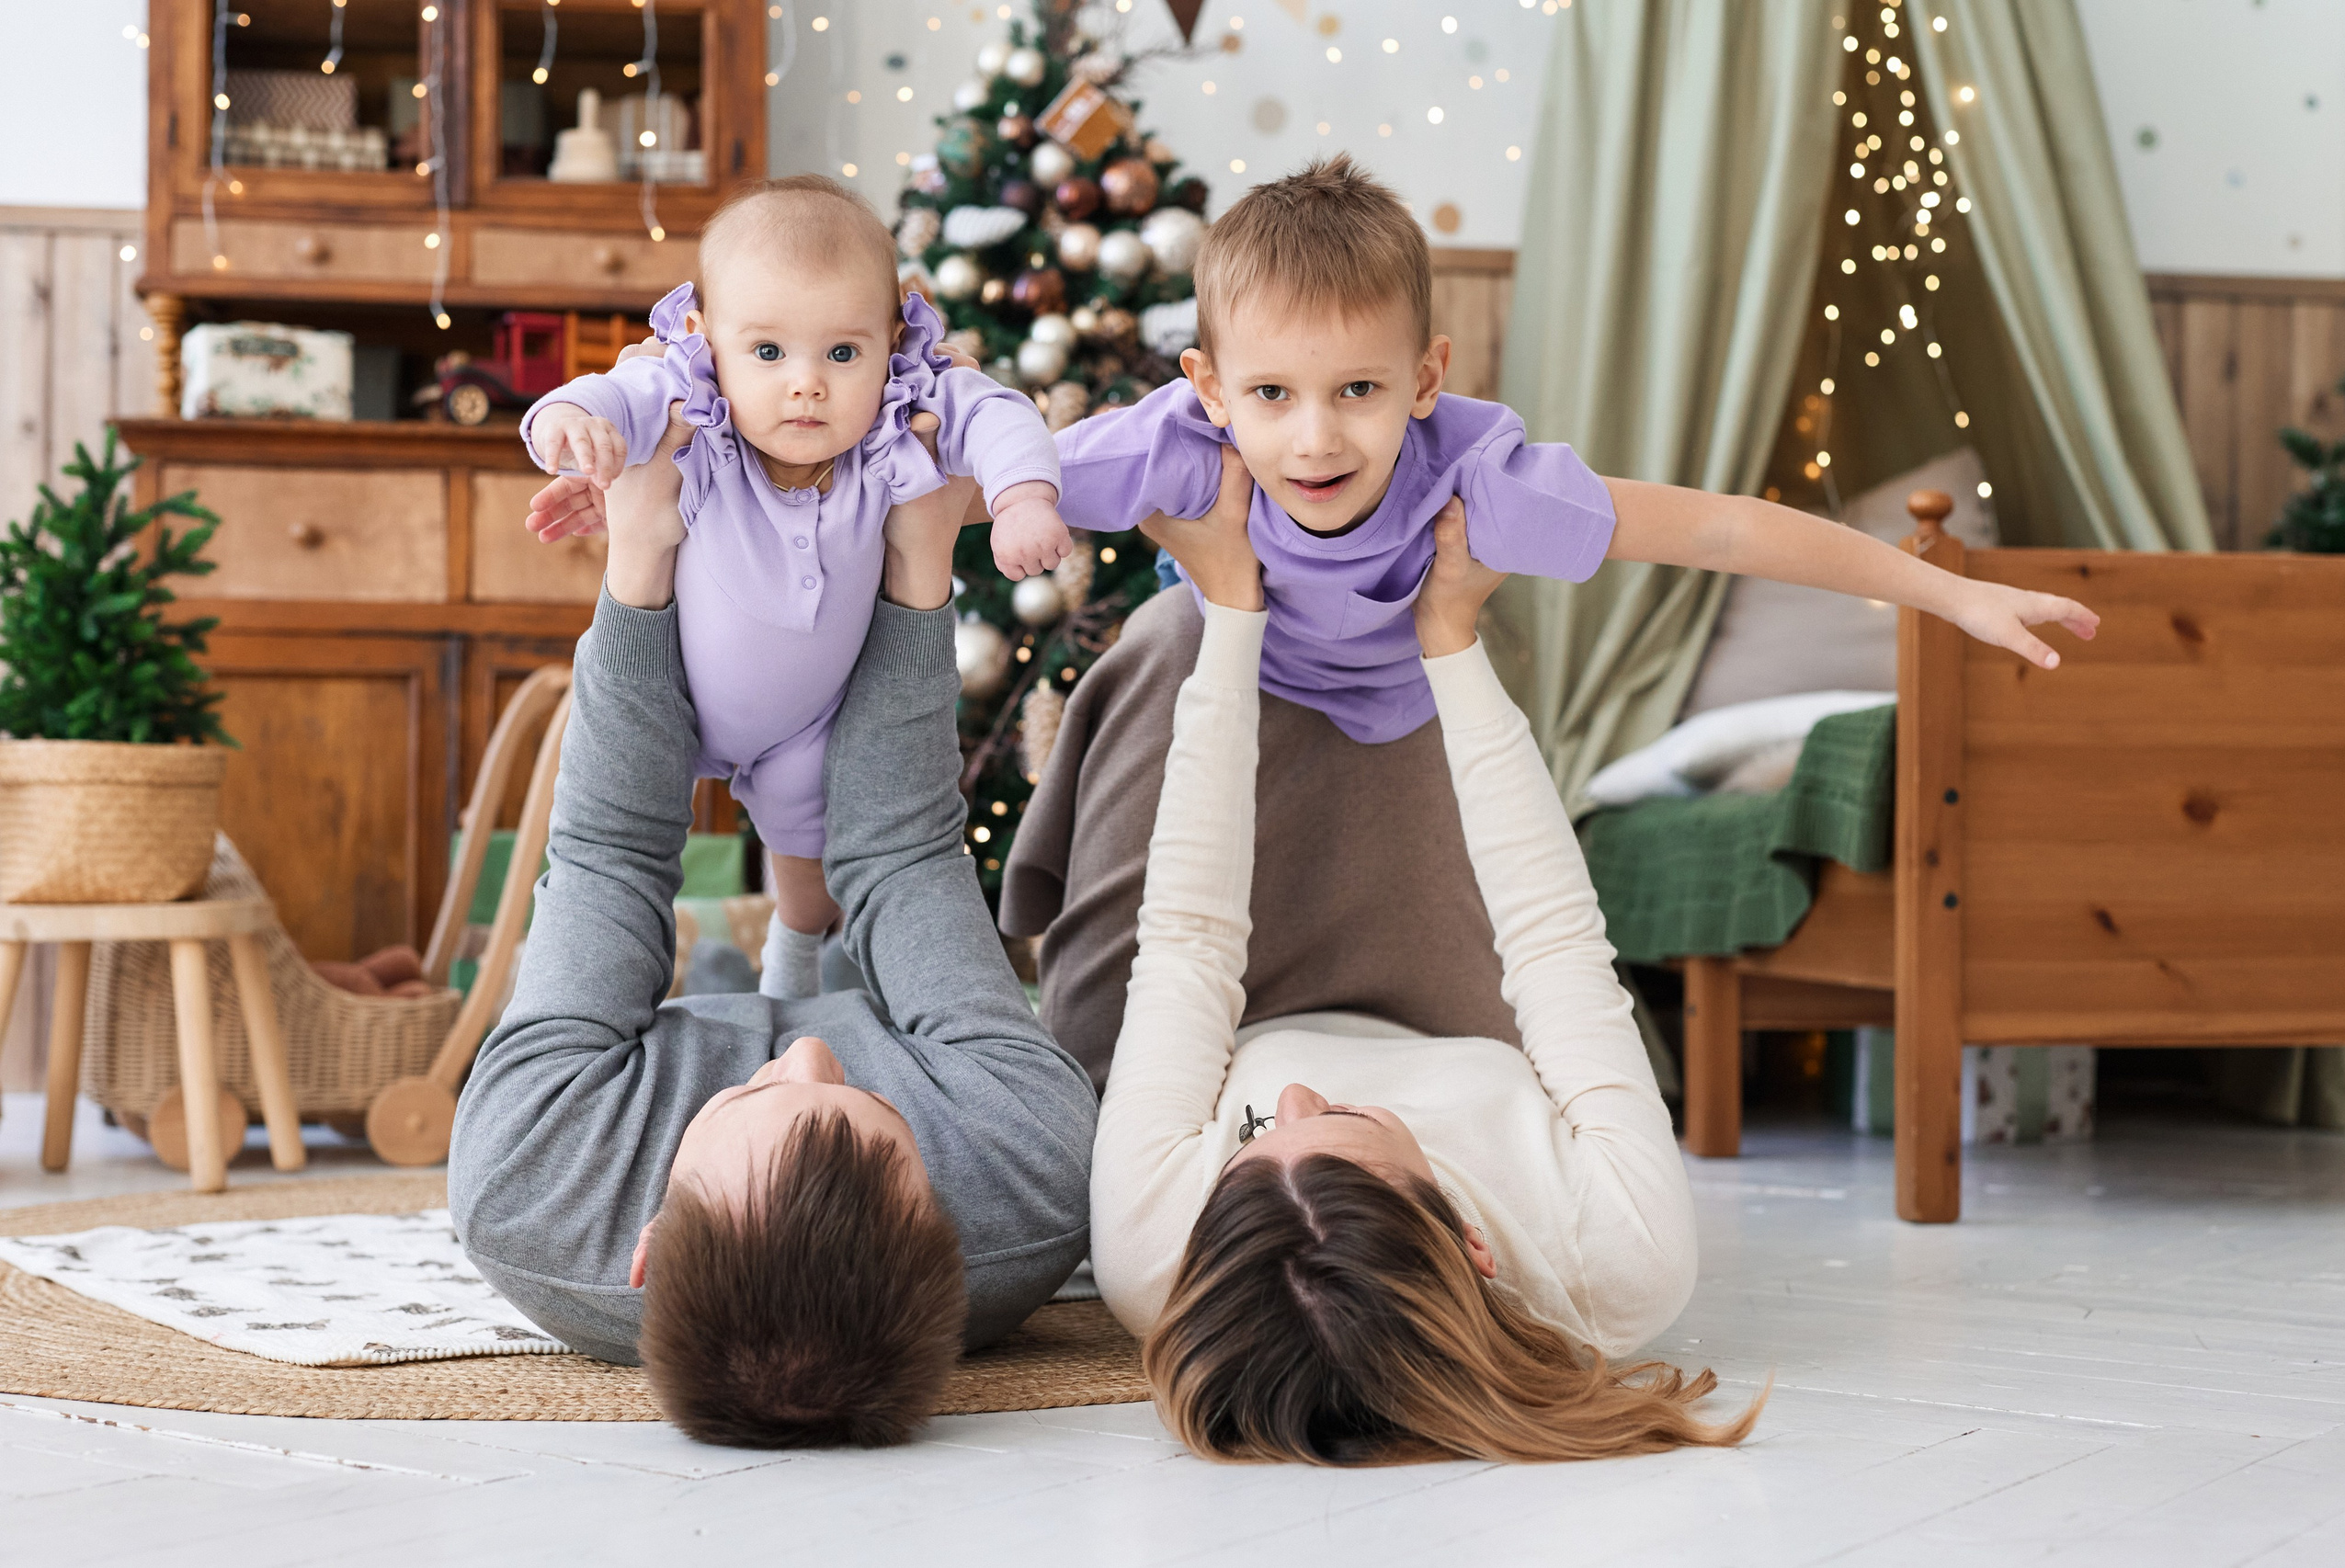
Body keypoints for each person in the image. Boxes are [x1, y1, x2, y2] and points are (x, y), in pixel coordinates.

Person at [1012, 152, 2096, 1083]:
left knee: (1506, 1038)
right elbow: (989, 481)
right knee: (1164, 640)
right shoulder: (1177, 450)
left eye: (1358, 390)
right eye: (1272, 396)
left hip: (1401, 733)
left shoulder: (1478, 484)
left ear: (1426, 378)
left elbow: (1719, 531)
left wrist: (1953, 593)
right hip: (1221, 706)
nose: (1315, 442)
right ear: (1208, 388)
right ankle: (1096, 1093)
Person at [448, 399, 1096, 1449]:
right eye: (852, 1099)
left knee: (702, 957)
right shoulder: (1024, 1170)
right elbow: (903, 851)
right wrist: (918, 567)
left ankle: (747, 972)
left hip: (642, 1065)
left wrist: (640, 567)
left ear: (648, 1243)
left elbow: (612, 850)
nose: (808, 1055)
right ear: (947, 1216)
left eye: (759, 1095)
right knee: (845, 949)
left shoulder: (533, 1173)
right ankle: (782, 960)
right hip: (914, 1033)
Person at [1091, 461, 1756, 1464]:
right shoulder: (1620, 1259)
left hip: (1220, 991)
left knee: (1175, 635)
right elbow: (1554, 943)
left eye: (1260, 1129)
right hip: (1463, 986)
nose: (1304, 1091)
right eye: (1342, 1123)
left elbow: (1185, 942)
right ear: (1473, 1245)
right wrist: (1451, 639)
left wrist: (1231, 616)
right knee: (1402, 610)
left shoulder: (1161, 1259)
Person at [519, 175, 1071, 1001]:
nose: (806, 383)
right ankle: (645, 988)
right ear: (708, 341)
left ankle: (791, 959)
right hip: (666, 696)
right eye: (768, 353)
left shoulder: (900, 412)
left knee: (804, 867)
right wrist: (570, 419)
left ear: (893, 342)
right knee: (626, 850)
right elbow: (607, 394)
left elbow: (1000, 414)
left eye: (843, 353)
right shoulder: (692, 405)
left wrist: (1024, 495)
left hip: (808, 725)